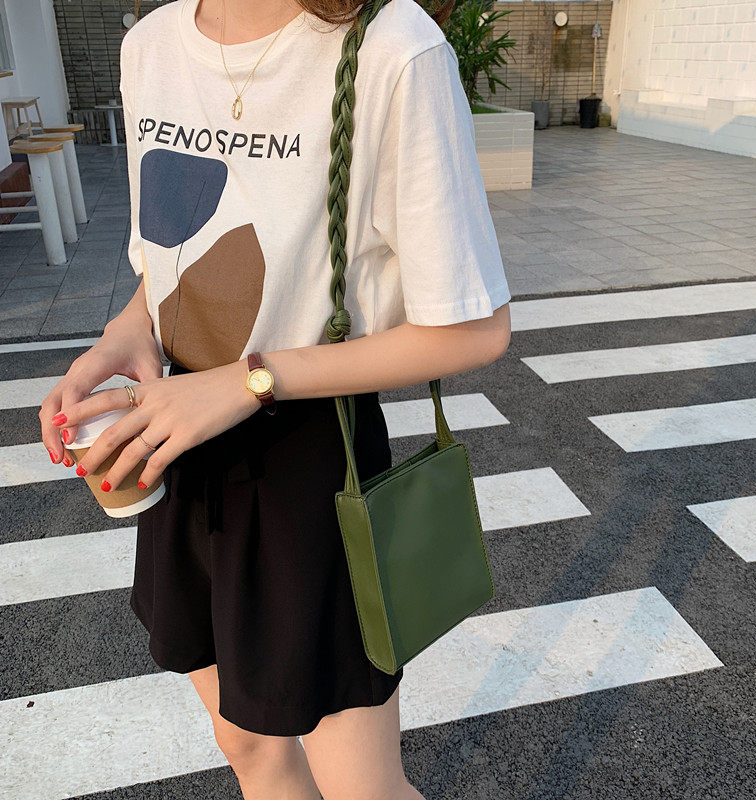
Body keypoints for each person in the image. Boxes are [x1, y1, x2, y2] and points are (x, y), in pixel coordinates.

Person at [39, 0, 511, 796]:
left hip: (312, 463)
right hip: (178, 443)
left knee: (361, 787)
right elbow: (171, 258)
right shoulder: (151, 46)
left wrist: (249, 380)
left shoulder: (391, 46)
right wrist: (127, 333)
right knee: (249, 750)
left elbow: (475, 328)